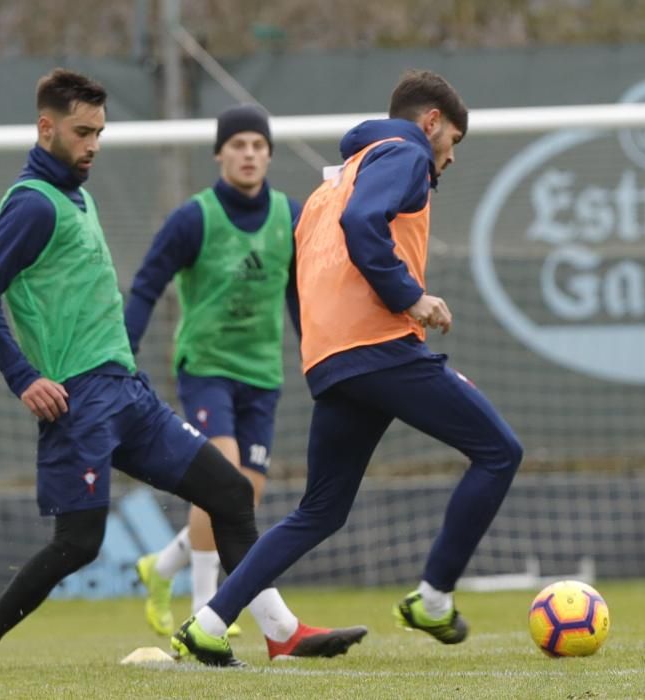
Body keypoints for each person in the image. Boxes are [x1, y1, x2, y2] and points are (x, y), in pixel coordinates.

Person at [0, 68, 366, 673]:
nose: (93, 145)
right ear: (45, 127)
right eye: (82, 132)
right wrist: (24, 377)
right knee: (79, 543)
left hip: (127, 394)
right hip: (78, 400)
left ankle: (280, 632)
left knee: (231, 493)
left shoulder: (76, 197)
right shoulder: (33, 205)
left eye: (99, 133)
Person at [170, 69, 524, 666]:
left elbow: (323, 257)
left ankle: (207, 622)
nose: (452, 157)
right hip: (380, 347)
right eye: (453, 141)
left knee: (320, 510)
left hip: (332, 359)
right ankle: (433, 598)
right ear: (430, 122)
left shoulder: (331, 182)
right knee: (499, 450)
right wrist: (410, 296)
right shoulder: (404, 152)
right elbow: (364, 226)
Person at [125, 104, 301, 641]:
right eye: (238, 144)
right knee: (219, 481)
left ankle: (163, 566)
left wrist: (317, 352)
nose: (248, 154)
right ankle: (205, 613)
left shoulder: (290, 216)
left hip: (262, 375)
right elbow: (146, 286)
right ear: (219, 153)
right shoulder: (194, 218)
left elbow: (300, 292)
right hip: (206, 370)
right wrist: (123, 356)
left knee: (242, 496)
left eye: (257, 145)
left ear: (269, 154)